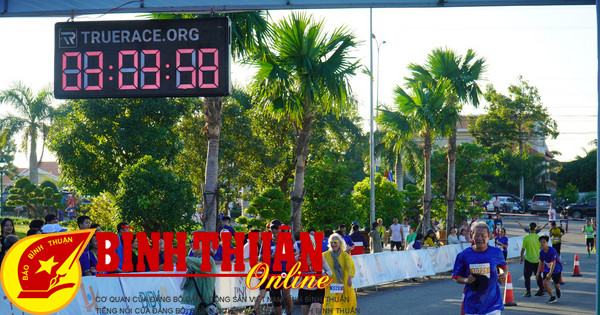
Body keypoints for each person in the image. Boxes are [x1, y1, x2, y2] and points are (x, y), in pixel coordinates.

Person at [452, 222, 507, 315]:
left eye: (483, 236)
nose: (480, 239)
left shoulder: (496, 252)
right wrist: (466, 280)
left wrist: (503, 275)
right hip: (472, 304)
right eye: (477, 235)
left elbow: (504, 267)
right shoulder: (464, 255)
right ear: (472, 235)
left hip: (492, 303)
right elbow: (456, 277)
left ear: (489, 236)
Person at [181, 239, 222, 314]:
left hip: (202, 309)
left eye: (194, 241)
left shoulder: (208, 260)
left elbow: (183, 260)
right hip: (190, 308)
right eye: (190, 241)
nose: (191, 244)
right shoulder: (194, 260)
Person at [322, 233, 357, 315]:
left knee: (344, 304)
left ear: (340, 243)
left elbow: (350, 266)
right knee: (329, 304)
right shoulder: (324, 255)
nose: (333, 244)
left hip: (343, 283)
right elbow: (319, 267)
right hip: (330, 284)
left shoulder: (345, 255)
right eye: (331, 242)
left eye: (335, 242)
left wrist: (349, 277)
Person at [520, 222, 545, 297]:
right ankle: (541, 289)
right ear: (535, 229)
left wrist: (521, 258)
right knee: (538, 275)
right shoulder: (539, 238)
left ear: (529, 229)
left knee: (527, 276)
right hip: (537, 260)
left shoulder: (526, 238)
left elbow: (523, 249)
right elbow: (542, 248)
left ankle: (528, 291)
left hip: (528, 259)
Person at [536, 235, 562, 304]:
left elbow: (553, 263)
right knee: (545, 283)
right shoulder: (541, 252)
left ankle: (557, 289)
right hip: (547, 269)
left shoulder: (552, 250)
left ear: (547, 242)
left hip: (556, 269)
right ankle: (553, 297)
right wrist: (538, 273)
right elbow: (540, 262)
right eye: (541, 242)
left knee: (556, 284)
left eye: (544, 242)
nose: (542, 244)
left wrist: (550, 273)